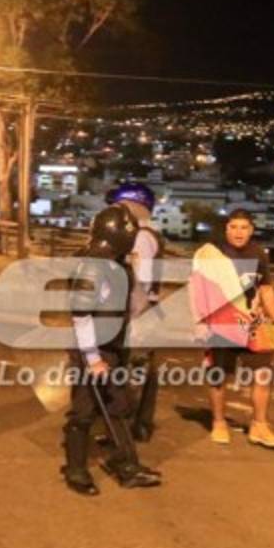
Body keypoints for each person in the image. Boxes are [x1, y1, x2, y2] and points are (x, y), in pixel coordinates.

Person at [61, 204, 162, 495]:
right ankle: (75, 468)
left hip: (113, 348)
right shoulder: (92, 266)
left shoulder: (119, 266)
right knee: (83, 411)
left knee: (118, 407)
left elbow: (130, 307)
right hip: (92, 349)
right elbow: (82, 316)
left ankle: (126, 465)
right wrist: (93, 359)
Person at [193, 209, 274, 449]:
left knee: (262, 374)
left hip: (251, 323)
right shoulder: (212, 253)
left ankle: (259, 425)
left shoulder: (258, 253)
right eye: (233, 227)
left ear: (251, 230)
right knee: (218, 375)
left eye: (244, 227)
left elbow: (265, 288)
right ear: (226, 229)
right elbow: (198, 289)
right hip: (221, 323)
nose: (238, 232)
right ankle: (219, 422)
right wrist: (200, 322)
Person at [105, 182, 163, 442]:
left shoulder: (140, 237)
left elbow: (140, 280)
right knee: (140, 371)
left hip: (137, 312)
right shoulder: (148, 234)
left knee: (130, 372)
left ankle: (124, 432)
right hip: (146, 311)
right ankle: (140, 425)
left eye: (119, 206)